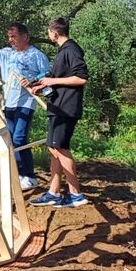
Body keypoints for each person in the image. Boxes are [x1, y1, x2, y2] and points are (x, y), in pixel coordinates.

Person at [0, 22, 51, 190]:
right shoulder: (6, 54)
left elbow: (47, 77)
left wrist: (34, 83)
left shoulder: (36, 55)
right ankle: (17, 175)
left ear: (25, 37)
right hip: (9, 103)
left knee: (19, 138)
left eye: (14, 36)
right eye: (9, 37)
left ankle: (29, 176)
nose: (11, 40)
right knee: (11, 140)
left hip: (26, 102)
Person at [27, 17, 90, 208]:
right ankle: (53, 192)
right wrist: (40, 85)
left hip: (66, 107)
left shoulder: (71, 50)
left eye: (49, 32)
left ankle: (76, 194)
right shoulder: (65, 50)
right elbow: (60, 79)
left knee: (60, 148)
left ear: (54, 33)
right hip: (58, 106)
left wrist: (51, 82)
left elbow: (81, 78)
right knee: (54, 148)